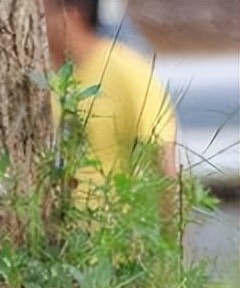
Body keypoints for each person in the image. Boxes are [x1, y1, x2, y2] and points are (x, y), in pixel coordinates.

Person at [43, 0, 178, 201]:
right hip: (58, 229)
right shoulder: (48, 78)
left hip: (115, 227)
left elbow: (162, 162)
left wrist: (169, 231)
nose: (39, 23)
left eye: (45, 13)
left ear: (71, 14)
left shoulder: (127, 71)